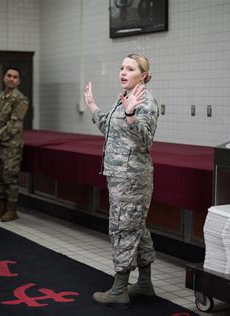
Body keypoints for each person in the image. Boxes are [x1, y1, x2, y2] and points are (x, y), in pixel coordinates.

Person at [83, 53, 159, 309]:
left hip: (132, 178)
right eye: (121, 68)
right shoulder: (125, 98)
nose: (123, 72)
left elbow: (144, 140)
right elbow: (110, 129)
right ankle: (146, 284)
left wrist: (130, 115)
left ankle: (119, 288)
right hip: (119, 175)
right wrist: (93, 106)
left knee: (123, 229)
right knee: (137, 227)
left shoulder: (145, 102)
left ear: (144, 75)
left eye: (130, 68)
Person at [0, 67, 29, 222]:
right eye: (9, 76)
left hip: (11, 146)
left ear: (18, 81)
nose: (11, 79)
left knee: (10, 178)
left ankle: (12, 210)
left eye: (15, 77)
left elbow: (14, 124)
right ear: (4, 78)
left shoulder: (21, 99)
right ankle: (1, 206)